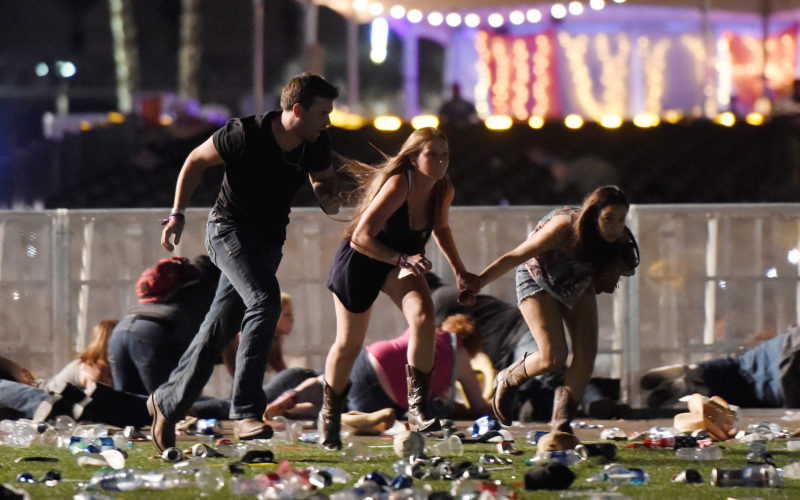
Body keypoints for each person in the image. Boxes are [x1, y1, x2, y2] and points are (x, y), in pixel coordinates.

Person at [150, 72, 340, 451]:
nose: (328, 121)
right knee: (266, 301)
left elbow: (323, 182)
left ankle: (166, 402)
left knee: (217, 330)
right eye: (323, 113)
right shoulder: (243, 134)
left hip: (267, 244)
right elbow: (194, 161)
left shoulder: (315, 142)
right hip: (227, 231)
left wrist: (330, 196)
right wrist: (177, 214)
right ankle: (247, 411)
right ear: (297, 110)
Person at [319, 126, 480, 450]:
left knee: (423, 316)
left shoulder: (442, 188)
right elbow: (362, 237)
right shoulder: (399, 183)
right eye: (431, 155)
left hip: (398, 263)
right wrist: (402, 258)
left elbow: (441, 227)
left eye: (444, 155)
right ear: (413, 156)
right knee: (349, 344)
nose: (439, 162)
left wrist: (461, 271)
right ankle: (329, 415)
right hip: (362, 260)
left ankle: (418, 409)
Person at [461, 185, 639, 451]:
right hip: (537, 278)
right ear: (593, 216)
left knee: (586, 352)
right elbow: (515, 256)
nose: (614, 227)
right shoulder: (564, 227)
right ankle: (508, 378)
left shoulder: (620, 240)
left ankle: (562, 422)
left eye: (620, 219)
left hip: (576, 281)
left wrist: (613, 270)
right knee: (553, 356)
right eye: (608, 219)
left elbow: (620, 273)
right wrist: (477, 283)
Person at [347, 313, 492, 420]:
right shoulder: (460, 354)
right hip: (385, 392)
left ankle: (326, 383)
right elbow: (478, 406)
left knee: (348, 401)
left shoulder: (429, 331)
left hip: (364, 360)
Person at [641, 323, 800, 409]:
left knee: (739, 367)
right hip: (782, 383)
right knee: (743, 396)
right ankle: (693, 387)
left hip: (782, 350)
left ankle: (688, 372)